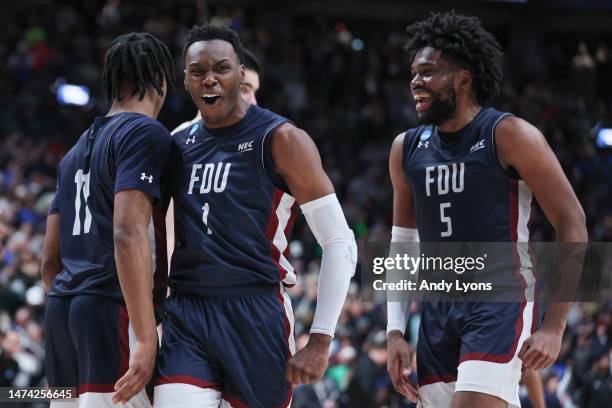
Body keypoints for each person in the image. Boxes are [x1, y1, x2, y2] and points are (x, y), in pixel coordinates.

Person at [385, 11, 587, 408]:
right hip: (437, 306)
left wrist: (554, 326)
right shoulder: (405, 148)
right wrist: (394, 331)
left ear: (463, 77)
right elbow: (403, 242)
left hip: (499, 298)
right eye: (414, 73)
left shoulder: (510, 135)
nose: (415, 82)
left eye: (427, 72)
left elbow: (573, 223)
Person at [154, 24, 356, 408]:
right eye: (198, 71)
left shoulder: (282, 139)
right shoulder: (177, 144)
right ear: (185, 79)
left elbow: (339, 241)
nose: (209, 79)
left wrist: (321, 338)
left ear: (241, 73)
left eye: (222, 68)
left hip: (255, 312)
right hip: (187, 313)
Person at [41, 32, 174, 407]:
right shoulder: (144, 133)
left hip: (62, 310)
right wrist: (147, 337)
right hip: (108, 308)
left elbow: (49, 261)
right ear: (161, 81)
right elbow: (128, 231)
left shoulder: (74, 152)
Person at [171, 47, 261, 134]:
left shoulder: (261, 139)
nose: (254, 102)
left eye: (254, 92)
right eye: (244, 90)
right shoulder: (177, 142)